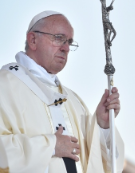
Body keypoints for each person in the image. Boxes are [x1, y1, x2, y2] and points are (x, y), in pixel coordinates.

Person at [0, 11, 124, 173]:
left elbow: (97, 162)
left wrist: (103, 126)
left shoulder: (73, 100)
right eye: (58, 38)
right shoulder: (5, 85)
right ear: (33, 40)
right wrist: (50, 146)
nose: (66, 48)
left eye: (69, 42)